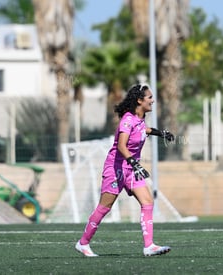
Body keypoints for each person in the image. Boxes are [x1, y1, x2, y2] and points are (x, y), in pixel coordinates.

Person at [75, 84, 175, 257]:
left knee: (147, 202)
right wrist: (135, 164)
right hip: (116, 168)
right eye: (149, 97)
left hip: (131, 169)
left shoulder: (139, 120)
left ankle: (149, 246)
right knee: (104, 207)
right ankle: (83, 243)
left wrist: (161, 134)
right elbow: (121, 145)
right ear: (139, 100)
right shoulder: (127, 120)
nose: (153, 100)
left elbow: (144, 130)